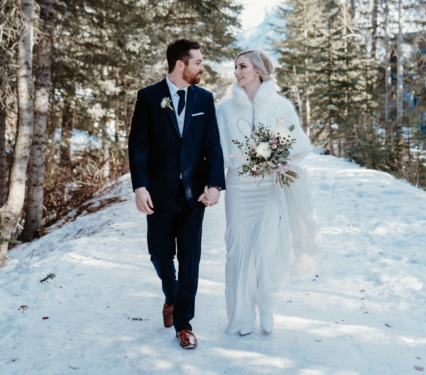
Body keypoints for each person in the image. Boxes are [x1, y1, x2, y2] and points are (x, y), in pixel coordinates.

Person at [128, 39, 225, 349]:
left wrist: (214, 185)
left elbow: (213, 144)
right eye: (197, 62)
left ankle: (184, 323)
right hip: (158, 193)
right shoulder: (148, 97)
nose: (201, 67)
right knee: (159, 254)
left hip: (194, 196)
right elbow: (138, 145)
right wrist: (140, 186)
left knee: (190, 259)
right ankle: (171, 295)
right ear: (180, 65)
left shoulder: (205, 99)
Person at [216, 49, 322, 336]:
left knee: (266, 248)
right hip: (239, 186)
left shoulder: (281, 106)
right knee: (237, 247)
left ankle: (265, 302)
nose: (236, 72)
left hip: (269, 188)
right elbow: (218, 153)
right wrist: (213, 183)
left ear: (259, 70)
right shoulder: (224, 110)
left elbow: (301, 145)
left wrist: (280, 160)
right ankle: (240, 315)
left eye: (242, 66)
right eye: (235, 67)